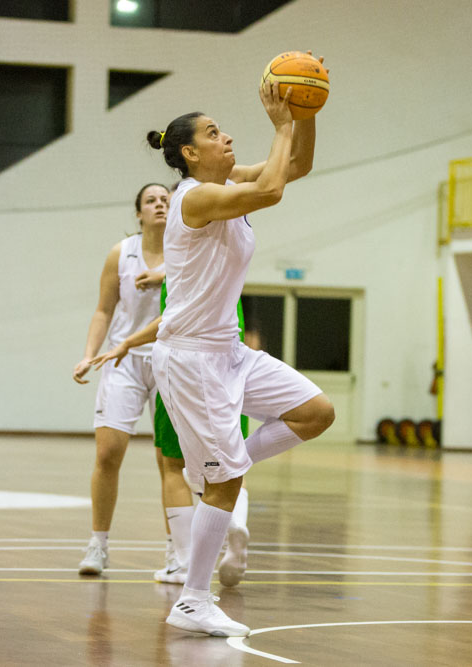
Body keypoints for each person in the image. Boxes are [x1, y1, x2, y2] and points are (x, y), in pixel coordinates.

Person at [143, 70, 334, 637]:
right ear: (189, 153)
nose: (226, 138)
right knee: (225, 483)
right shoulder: (196, 197)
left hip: (228, 349)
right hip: (191, 357)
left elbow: (294, 169)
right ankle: (192, 600)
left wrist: (307, 111)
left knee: (315, 413)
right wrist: (280, 124)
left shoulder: (225, 187)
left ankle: (226, 462)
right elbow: (273, 189)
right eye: (214, 132)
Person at [72, 184, 196, 578]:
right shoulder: (121, 253)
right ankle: (98, 545)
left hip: (167, 359)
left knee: (170, 461)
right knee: (108, 453)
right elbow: (103, 309)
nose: (160, 204)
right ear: (138, 213)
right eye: (151, 201)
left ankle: (177, 552)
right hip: (123, 359)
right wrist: (89, 353)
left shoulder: (188, 247)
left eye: (165, 199)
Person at [93, 287, 253, 588]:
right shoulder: (230, 267)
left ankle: (182, 564)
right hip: (232, 372)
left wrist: (127, 342)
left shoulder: (181, 267)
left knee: (173, 466)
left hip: (185, 370)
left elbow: (169, 319)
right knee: (233, 464)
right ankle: (236, 522)